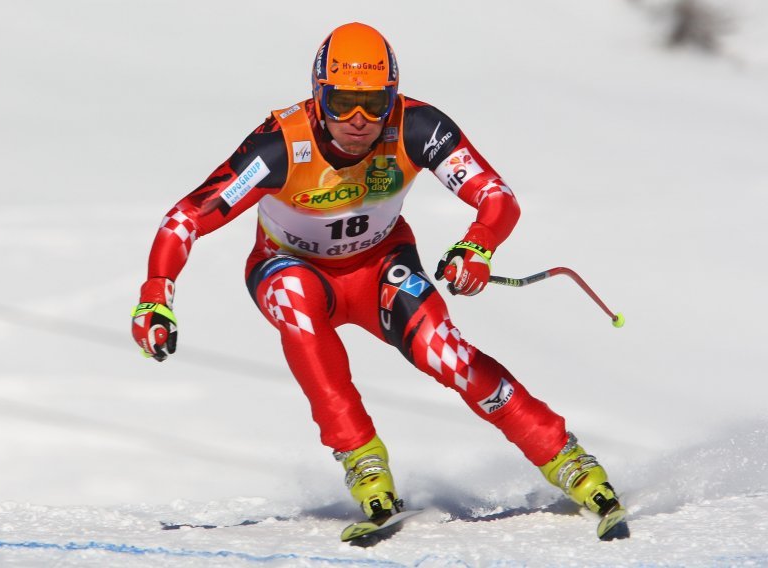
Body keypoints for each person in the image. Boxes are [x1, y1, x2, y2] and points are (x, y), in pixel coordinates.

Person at [131, 22, 625, 533]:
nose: (360, 120)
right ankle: (363, 462)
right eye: (343, 102)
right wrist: (155, 296)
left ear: (395, 96)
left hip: (380, 267)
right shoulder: (280, 146)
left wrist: (478, 245)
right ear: (318, 96)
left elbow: (496, 197)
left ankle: (566, 458)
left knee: (445, 352)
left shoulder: (418, 127)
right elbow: (186, 218)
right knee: (294, 302)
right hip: (292, 267)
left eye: (376, 102)